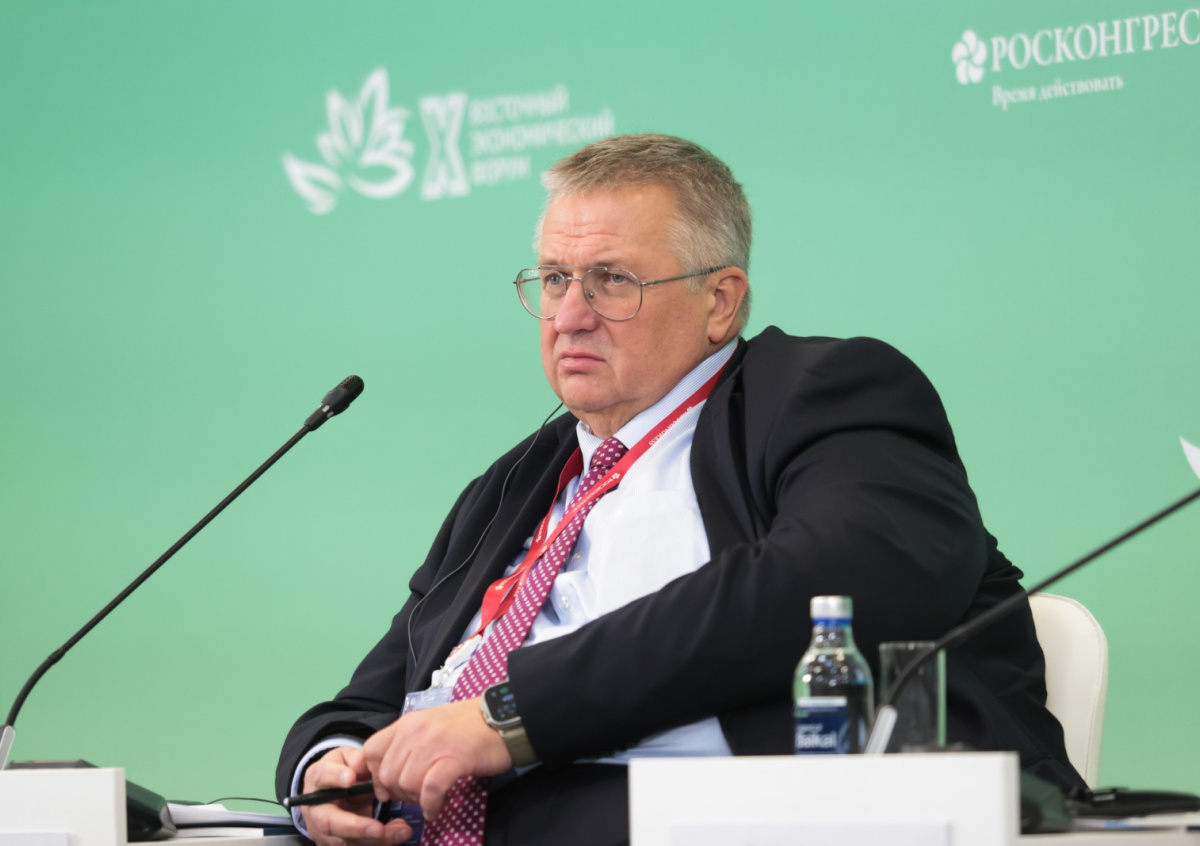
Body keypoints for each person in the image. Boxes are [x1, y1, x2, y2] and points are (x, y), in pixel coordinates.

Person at [276, 133, 1082, 846]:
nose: (569, 315)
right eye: (554, 279)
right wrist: (327, 767)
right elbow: (379, 691)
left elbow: (841, 577)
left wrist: (510, 717)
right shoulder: (511, 485)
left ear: (720, 301)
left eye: (612, 280)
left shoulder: (824, 394)